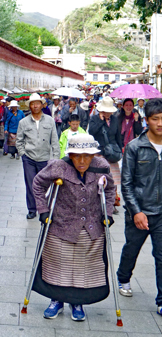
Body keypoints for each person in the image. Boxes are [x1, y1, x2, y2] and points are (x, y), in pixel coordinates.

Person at [32, 134, 115, 321]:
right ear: (70, 155)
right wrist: (43, 210)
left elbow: (110, 190)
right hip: (61, 225)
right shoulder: (58, 167)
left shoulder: (101, 167)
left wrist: (108, 213)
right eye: (77, 156)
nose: (82, 160)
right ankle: (56, 301)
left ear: (93, 155)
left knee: (83, 268)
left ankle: (78, 302)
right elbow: (38, 183)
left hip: (91, 227)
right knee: (57, 266)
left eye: (87, 155)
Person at [117, 98, 162, 315]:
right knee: (131, 250)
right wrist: (136, 211)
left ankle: (161, 300)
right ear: (146, 120)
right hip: (139, 212)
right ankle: (123, 278)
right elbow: (126, 183)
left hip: (161, 213)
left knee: (161, 255)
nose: (160, 123)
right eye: (156, 119)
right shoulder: (135, 147)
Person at [16, 93, 60, 219]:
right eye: (32, 103)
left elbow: (54, 141)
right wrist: (23, 154)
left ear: (41, 105)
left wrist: (56, 159)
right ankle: (31, 209)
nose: (35, 106)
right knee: (30, 184)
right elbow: (19, 141)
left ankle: (43, 207)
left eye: (37, 103)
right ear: (30, 106)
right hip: (29, 158)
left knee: (44, 184)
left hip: (45, 158)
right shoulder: (23, 122)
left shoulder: (50, 121)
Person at [88, 96, 123, 214]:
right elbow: (91, 132)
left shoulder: (115, 119)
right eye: (106, 111)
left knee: (112, 180)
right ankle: (96, 202)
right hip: (99, 153)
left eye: (109, 111)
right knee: (98, 179)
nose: (108, 114)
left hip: (111, 153)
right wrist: (101, 121)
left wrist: (120, 148)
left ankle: (112, 203)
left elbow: (117, 135)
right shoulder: (94, 119)